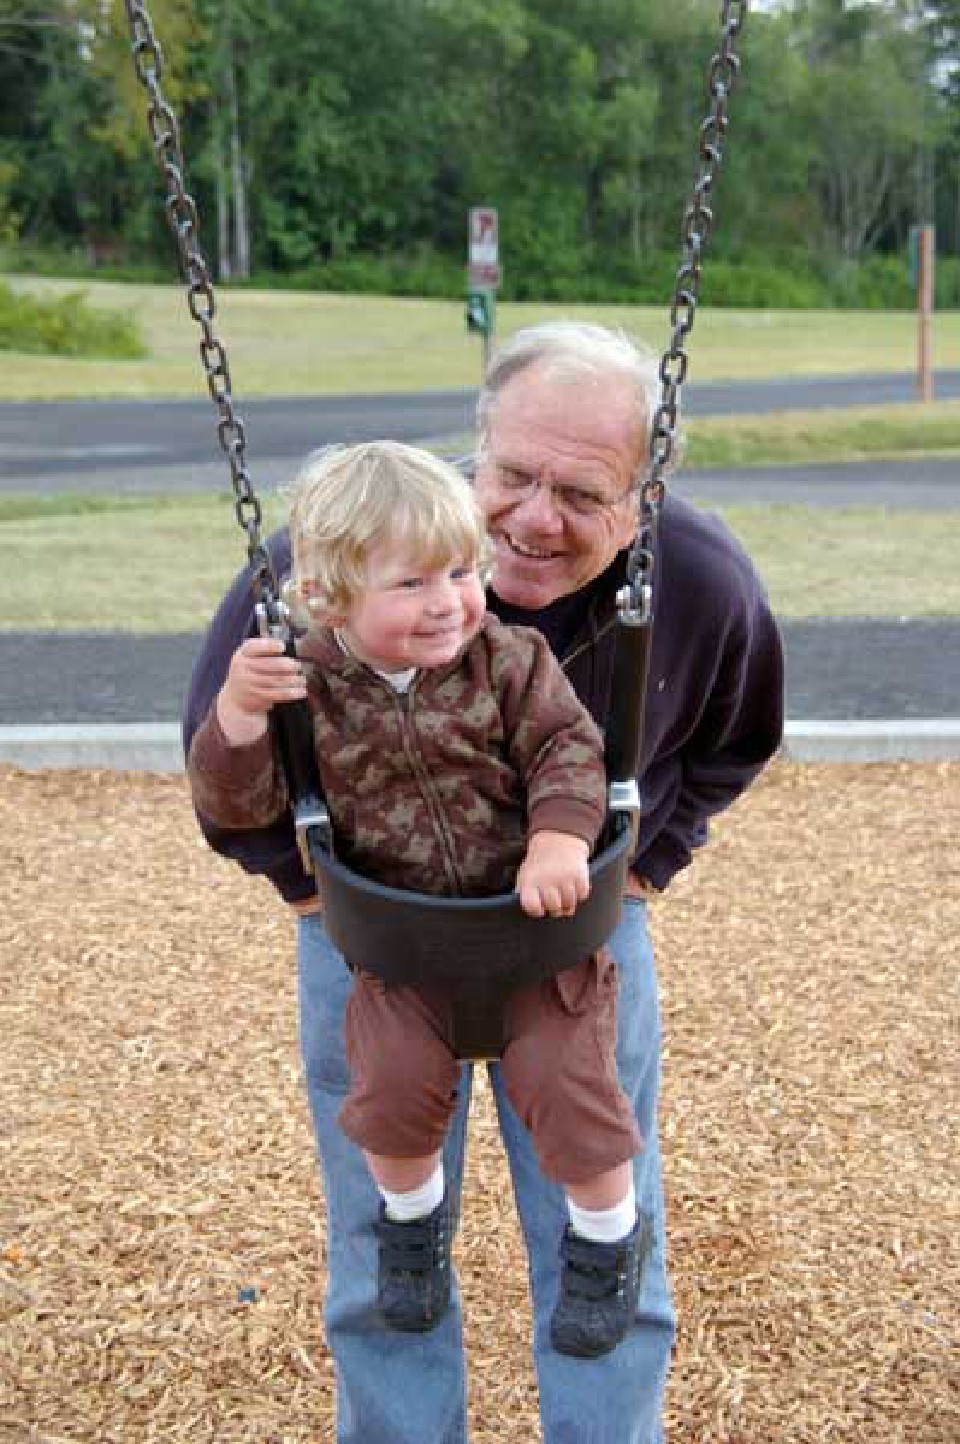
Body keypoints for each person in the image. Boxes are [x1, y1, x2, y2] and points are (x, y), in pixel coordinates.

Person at [183, 320, 784, 1443]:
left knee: (601, 1201)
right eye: (511, 475)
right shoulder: (337, 557)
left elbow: (734, 737)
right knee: (383, 1234)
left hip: (571, 932)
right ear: (478, 444)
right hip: (379, 937)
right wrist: (303, 887)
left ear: (645, 494)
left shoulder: (699, 582)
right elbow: (223, 758)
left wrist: (647, 864)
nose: (534, 520)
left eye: (583, 493)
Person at [186, 440, 648, 1357]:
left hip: (536, 940)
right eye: (412, 583)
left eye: (462, 573)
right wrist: (239, 715)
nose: (448, 602)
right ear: (328, 599)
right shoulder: (304, 689)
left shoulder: (511, 660)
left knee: (575, 1096)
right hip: (401, 953)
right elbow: (239, 807)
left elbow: (569, 750)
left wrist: (559, 839)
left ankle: (607, 1237)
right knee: (390, 1099)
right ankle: (412, 1225)